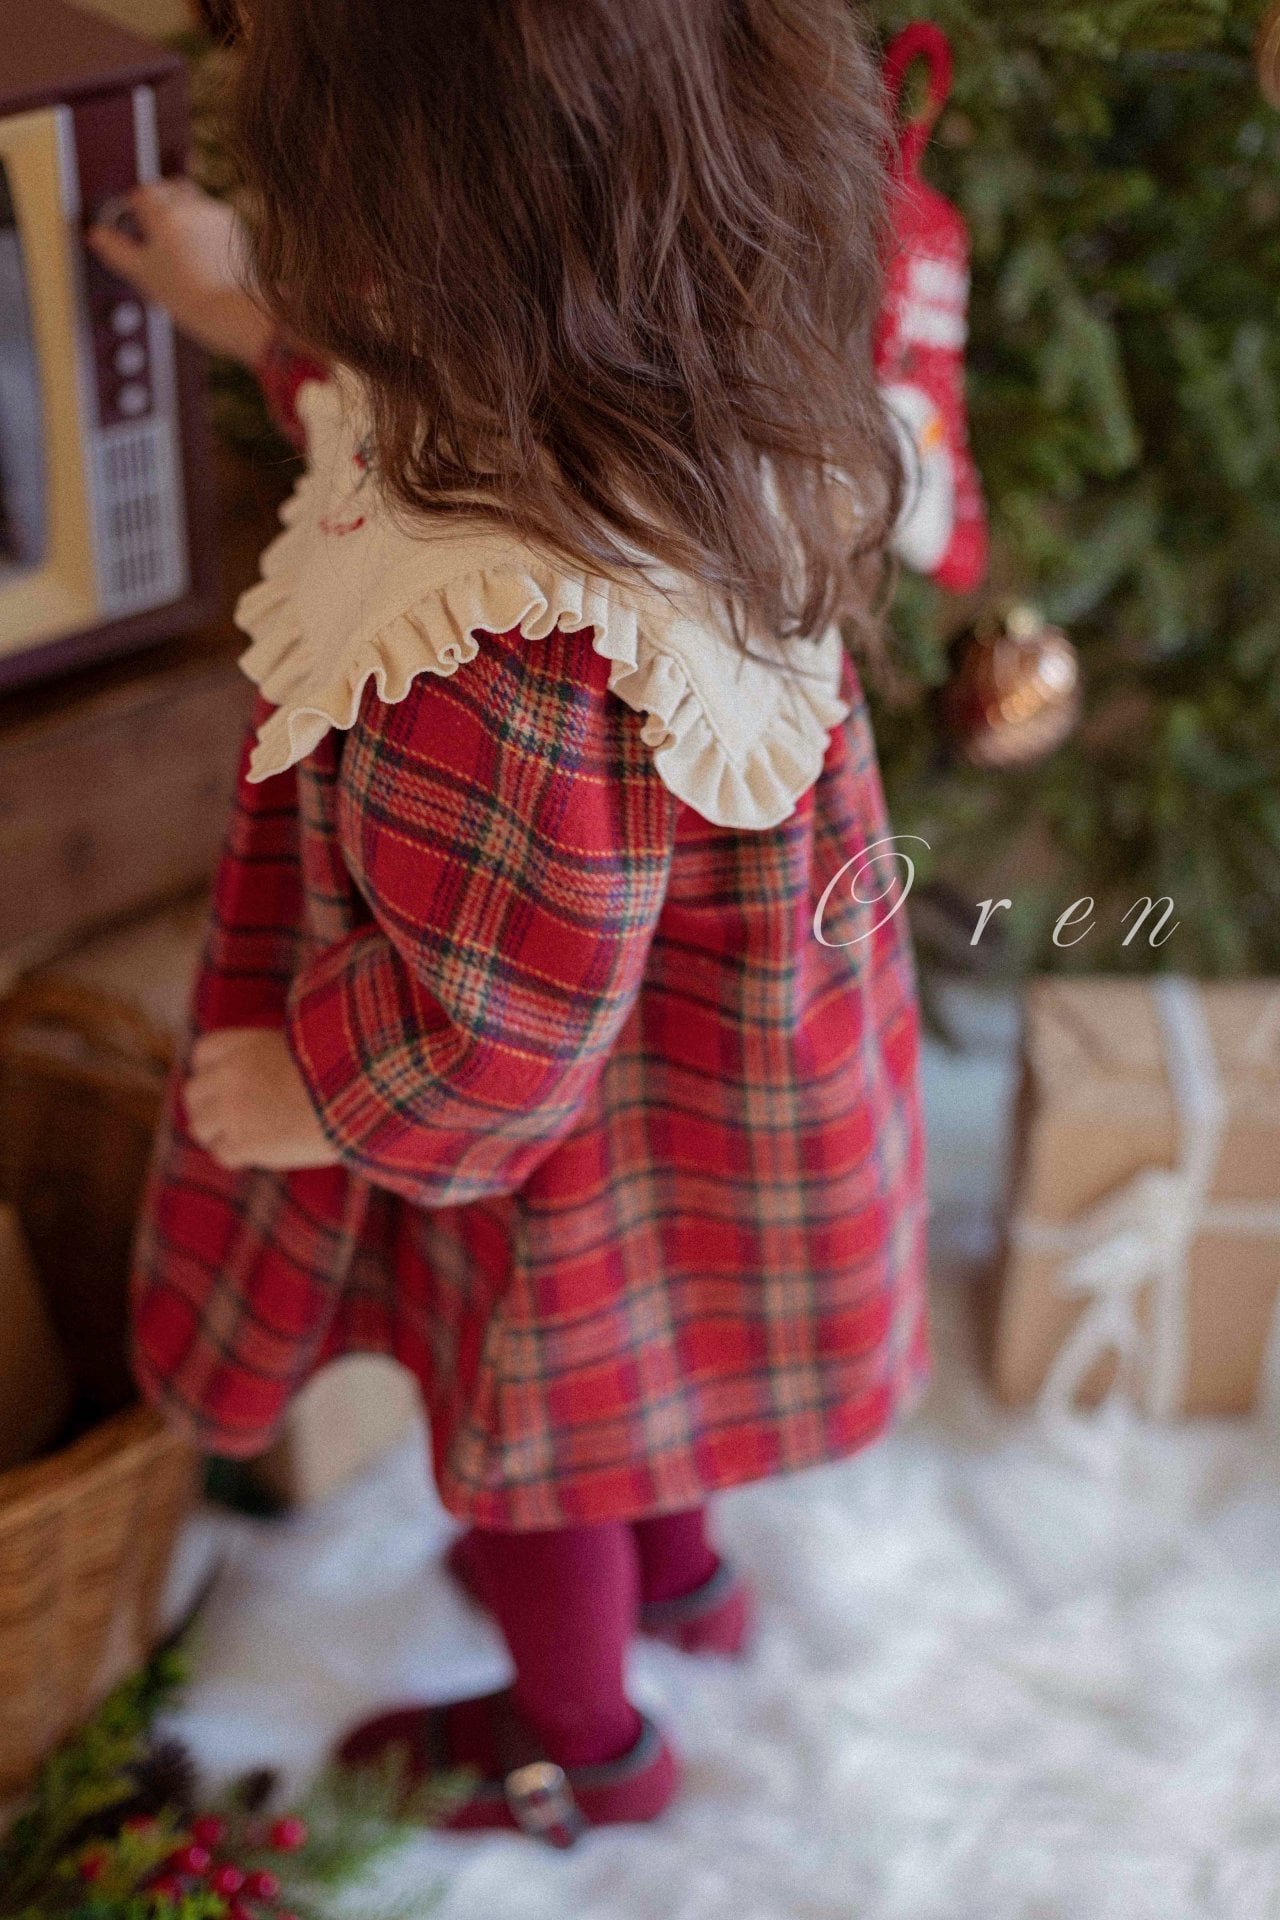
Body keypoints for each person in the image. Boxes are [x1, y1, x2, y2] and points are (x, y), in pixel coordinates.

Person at [91, 0, 928, 1846]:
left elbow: (503, 1035)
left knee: (534, 1434)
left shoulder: (493, 638)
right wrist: (247, 316)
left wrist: (311, 1089)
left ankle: (580, 1741)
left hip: (545, 1150)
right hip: (699, 1101)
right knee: (649, 1355)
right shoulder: (701, 381)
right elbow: (390, 416)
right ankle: (681, 1577)